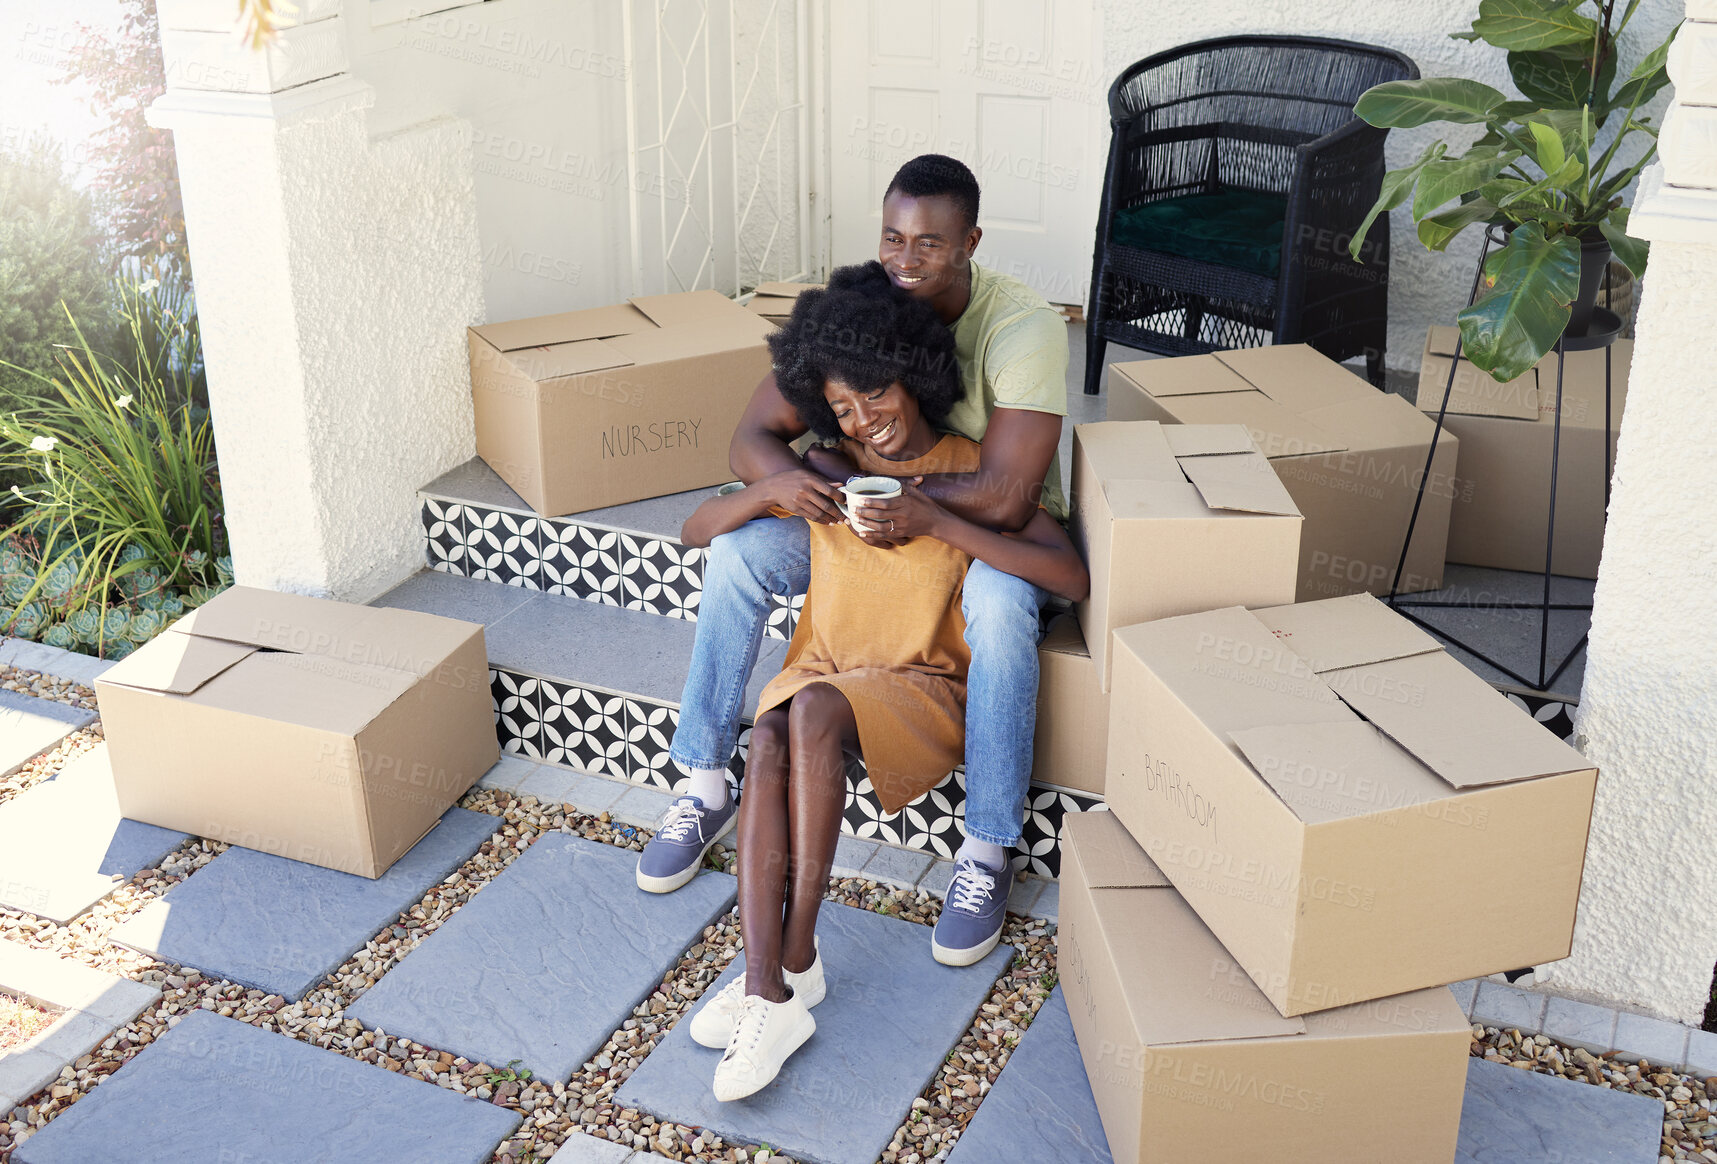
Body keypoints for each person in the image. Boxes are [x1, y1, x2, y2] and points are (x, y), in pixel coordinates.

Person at [636, 153, 1069, 967]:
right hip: (873, 514)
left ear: (969, 241)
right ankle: (701, 779)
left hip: (977, 530)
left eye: (930, 245)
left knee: (1005, 608)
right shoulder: (865, 307)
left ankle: (985, 849)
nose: (905, 262)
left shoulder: (1023, 329)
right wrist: (815, 482)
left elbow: (1011, 496)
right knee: (737, 552)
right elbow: (749, 441)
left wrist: (906, 496)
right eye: (892, 238)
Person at [672, 266, 1087, 1101]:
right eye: (847, 410)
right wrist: (773, 488)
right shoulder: (834, 471)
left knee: (808, 710)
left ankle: (780, 982)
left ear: (918, 375)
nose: (868, 422)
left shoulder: (967, 473)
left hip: (917, 686)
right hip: (827, 669)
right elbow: (694, 531)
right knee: (774, 730)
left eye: (879, 398)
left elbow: (1068, 574)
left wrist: (936, 518)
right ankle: (774, 978)